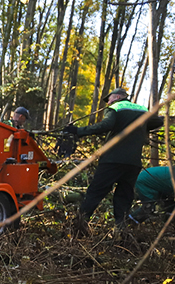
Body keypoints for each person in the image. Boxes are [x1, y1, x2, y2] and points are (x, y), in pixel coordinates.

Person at [62, 87, 162, 236]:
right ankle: (120, 230)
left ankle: (79, 227)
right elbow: (157, 121)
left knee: (95, 192)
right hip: (133, 162)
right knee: (124, 195)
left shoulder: (116, 107)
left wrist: (78, 131)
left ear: (116, 97)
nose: (107, 103)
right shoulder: (142, 109)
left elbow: (105, 125)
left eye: (108, 99)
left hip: (112, 159)